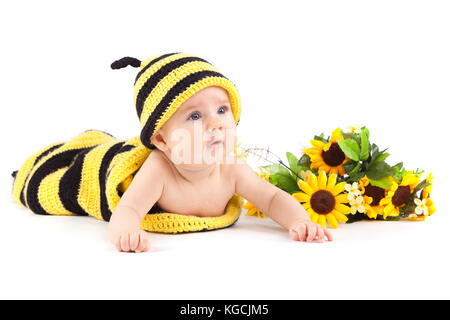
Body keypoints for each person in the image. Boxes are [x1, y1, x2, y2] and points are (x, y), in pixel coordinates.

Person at [107, 54, 332, 252]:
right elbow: (128, 208)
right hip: (106, 162)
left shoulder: (231, 168)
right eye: (195, 116)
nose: (216, 123)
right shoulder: (159, 169)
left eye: (222, 110)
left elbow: (272, 198)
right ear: (162, 139)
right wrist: (127, 232)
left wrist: (299, 221)